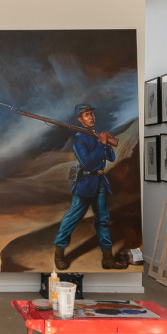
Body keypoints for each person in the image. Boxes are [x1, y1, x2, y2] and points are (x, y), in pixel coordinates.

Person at [53, 104, 128, 270]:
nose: (91, 117)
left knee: (102, 221)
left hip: (100, 182)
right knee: (72, 219)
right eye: (86, 115)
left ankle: (107, 259)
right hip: (85, 183)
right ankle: (59, 254)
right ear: (80, 119)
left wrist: (106, 143)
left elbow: (111, 157)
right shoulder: (79, 139)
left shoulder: (97, 135)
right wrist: (101, 143)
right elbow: (87, 162)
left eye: (91, 114)